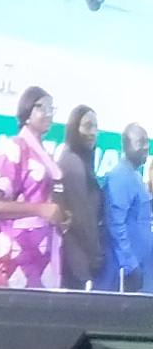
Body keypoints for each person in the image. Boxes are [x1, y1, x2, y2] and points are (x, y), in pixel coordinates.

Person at [0, 87, 63, 290]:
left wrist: (58, 215)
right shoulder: (14, 147)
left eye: (52, 108)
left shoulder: (43, 152)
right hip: (12, 265)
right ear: (26, 112)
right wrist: (40, 209)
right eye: (42, 107)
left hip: (38, 263)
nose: (49, 113)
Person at [57, 104, 104, 291]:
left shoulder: (76, 160)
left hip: (74, 256)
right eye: (87, 125)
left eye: (95, 127)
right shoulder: (73, 163)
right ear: (74, 128)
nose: (93, 132)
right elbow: (81, 217)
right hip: (73, 257)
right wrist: (96, 254)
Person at [106, 123, 153, 294]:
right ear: (126, 145)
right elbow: (116, 224)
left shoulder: (135, 175)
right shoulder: (120, 176)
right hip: (130, 270)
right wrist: (130, 264)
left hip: (144, 265)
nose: (146, 147)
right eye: (140, 142)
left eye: (147, 142)